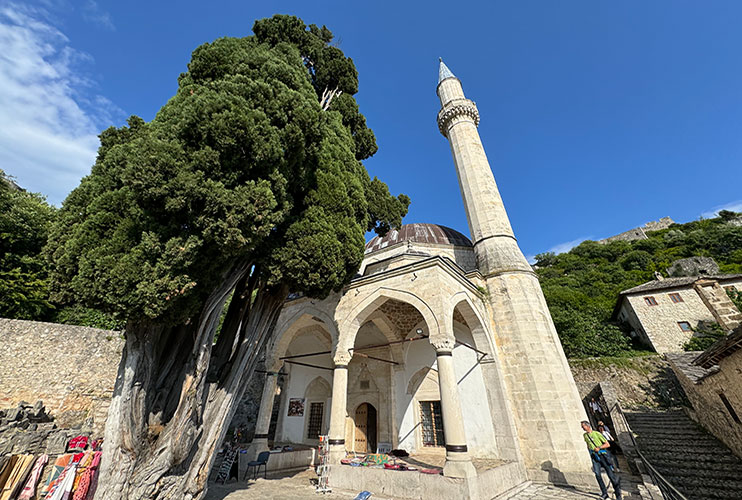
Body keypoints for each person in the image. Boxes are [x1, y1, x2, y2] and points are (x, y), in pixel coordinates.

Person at [582, 420, 622, 500]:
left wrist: (599, 448)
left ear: (588, 426)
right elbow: (587, 444)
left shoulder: (597, 434)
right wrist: (590, 452)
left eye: (583, 426)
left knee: (611, 475)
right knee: (597, 474)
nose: (582, 428)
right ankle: (604, 493)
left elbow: (607, 444)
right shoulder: (585, 435)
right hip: (594, 456)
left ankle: (618, 494)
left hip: (603, 455)